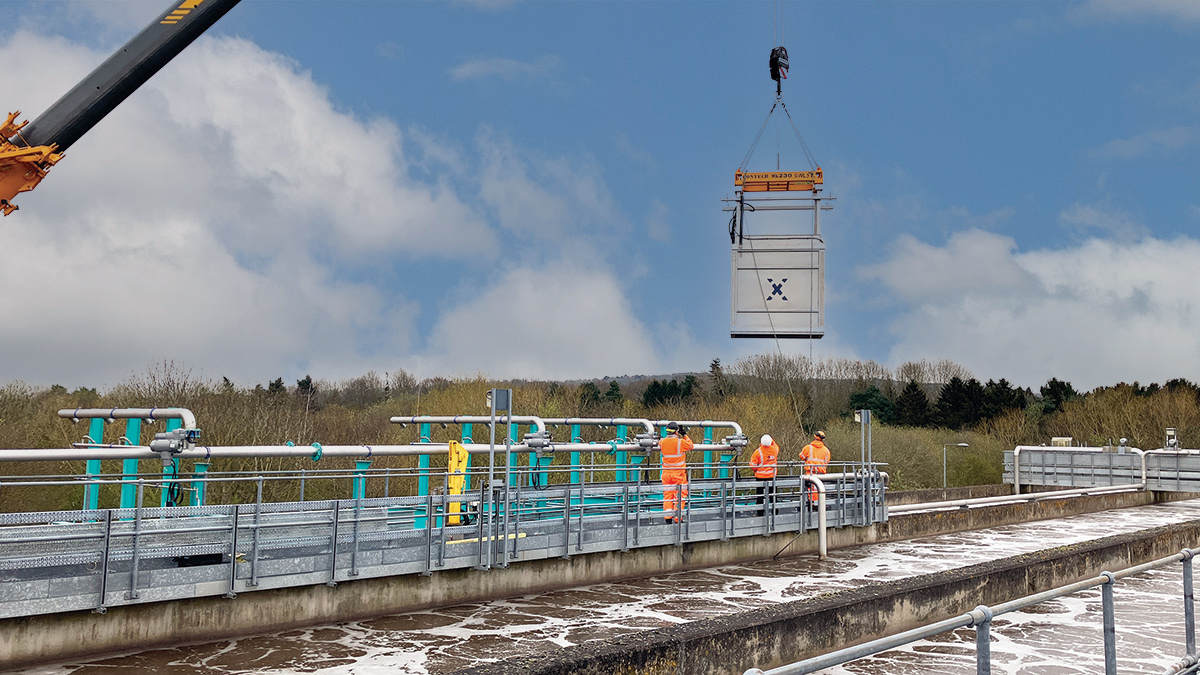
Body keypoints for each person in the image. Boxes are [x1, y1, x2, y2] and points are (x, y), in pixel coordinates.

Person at [659, 421, 693, 523]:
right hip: (678, 474)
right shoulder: (681, 442)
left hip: (666, 474)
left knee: (668, 495)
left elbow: (659, 442)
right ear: (676, 431)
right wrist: (685, 435)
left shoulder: (662, 442)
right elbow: (691, 446)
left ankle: (668, 518)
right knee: (680, 496)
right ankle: (678, 518)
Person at [749, 434, 780, 512]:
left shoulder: (758, 452)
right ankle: (775, 511)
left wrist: (756, 470)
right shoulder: (774, 450)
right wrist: (771, 440)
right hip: (772, 476)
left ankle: (760, 513)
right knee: (773, 495)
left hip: (760, 477)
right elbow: (775, 445)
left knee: (760, 496)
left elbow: (752, 465)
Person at [799, 430, 830, 502]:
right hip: (822, 474)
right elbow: (827, 462)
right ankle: (819, 504)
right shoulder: (826, 451)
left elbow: (801, 456)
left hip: (810, 473)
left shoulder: (808, 448)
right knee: (820, 490)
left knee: (810, 490)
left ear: (815, 438)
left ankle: (812, 504)